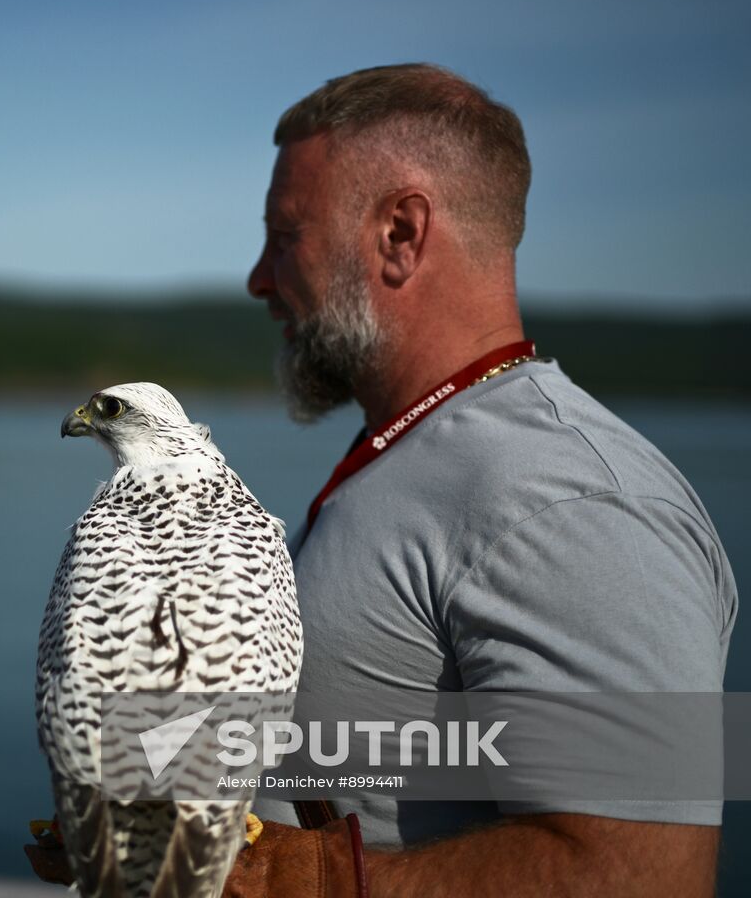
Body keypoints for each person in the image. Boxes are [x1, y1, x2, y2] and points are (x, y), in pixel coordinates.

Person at [231, 64, 737, 897]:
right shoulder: (418, 451)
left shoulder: (565, 497)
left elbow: (642, 878)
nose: (258, 276)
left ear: (401, 232)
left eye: (285, 235)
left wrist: (289, 882)